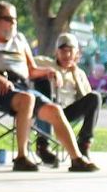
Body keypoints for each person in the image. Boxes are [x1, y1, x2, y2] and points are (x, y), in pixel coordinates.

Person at [0, 3, 95, 172]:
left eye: (15, 19)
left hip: (22, 89)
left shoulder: (20, 42)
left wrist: (50, 71)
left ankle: (77, 159)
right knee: (28, 99)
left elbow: (31, 70)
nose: (14, 23)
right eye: (9, 19)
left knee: (54, 110)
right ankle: (21, 157)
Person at [43, 33, 101, 163]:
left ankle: (84, 144)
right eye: (63, 51)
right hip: (48, 109)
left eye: (70, 51)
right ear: (56, 52)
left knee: (95, 98)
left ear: (76, 54)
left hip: (69, 111)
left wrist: (75, 75)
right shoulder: (46, 64)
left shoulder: (80, 73)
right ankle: (42, 145)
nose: (67, 55)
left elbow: (86, 99)